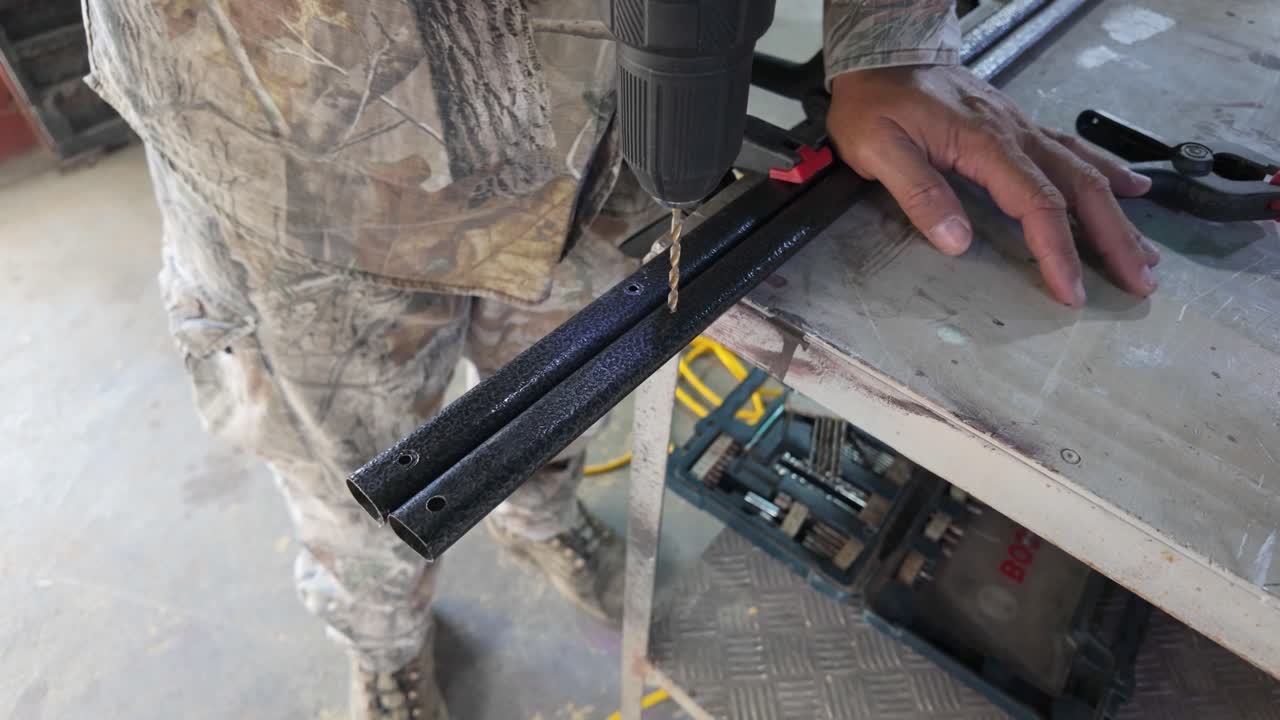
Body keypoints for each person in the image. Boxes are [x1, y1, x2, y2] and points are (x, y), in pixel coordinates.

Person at [83, 1, 1160, 718]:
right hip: (282, 154)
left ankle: (542, 521)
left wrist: (886, 32)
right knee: (350, 473)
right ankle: (384, 638)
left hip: (585, 136)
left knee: (568, 393)